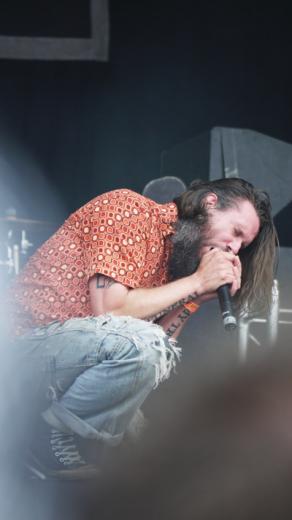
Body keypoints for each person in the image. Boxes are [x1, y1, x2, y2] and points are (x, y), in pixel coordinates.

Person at [7, 177, 277, 479]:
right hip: (20, 354)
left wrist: (194, 299)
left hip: (71, 365)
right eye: (236, 232)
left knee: (160, 458)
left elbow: (153, 359)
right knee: (145, 350)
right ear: (209, 203)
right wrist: (196, 282)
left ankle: (67, 443)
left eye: (243, 245)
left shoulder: (173, 261)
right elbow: (111, 311)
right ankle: (46, 438)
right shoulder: (130, 209)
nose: (235, 247)